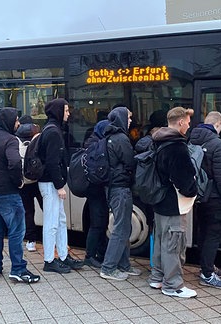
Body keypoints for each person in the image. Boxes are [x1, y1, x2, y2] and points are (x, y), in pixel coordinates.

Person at [0, 107, 40, 283]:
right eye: (16, 120)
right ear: (8, 121)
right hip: (7, 192)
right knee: (16, 231)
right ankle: (18, 269)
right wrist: (18, 182)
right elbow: (15, 163)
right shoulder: (10, 140)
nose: (18, 124)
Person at [149, 107, 198, 298]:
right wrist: (194, 191)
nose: (189, 125)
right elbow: (184, 180)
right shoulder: (176, 146)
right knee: (173, 244)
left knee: (161, 241)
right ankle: (173, 285)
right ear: (180, 122)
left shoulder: (158, 141)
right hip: (174, 203)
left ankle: (157, 277)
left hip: (159, 200)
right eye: (187, 121)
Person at [38, 98, 84, 273]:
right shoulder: (54, 132)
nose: (68, 113)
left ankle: (63, 255)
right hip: (50, 184)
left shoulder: (51, 129)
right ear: (58, 111)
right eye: (65, 110)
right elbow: (52, 162)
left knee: (60, 220)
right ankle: (49, 260)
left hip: (52, 183)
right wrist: (59, 185)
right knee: (52, 222)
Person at [189, 111, 221, 289]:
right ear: (218, 125)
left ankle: (206, 266)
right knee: (213, 235)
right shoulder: (218, 144)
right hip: (214, 196)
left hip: (198, 195)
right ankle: (207, 273)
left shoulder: (191, 140)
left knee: (203, 233)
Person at [99, 106, 140, 280]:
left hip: (112, 186)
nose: (130, 121)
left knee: (124, 227)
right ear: (122, 119)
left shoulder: (108, 135)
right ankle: (108, 268)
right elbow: (130, 162)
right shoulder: (121, 138)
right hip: (121, 187)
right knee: (121, 228)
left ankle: (124, 265)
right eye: (129, 117)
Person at [83, 120, 110, 268]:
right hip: (95, 189)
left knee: (101, 222)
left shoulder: (93, 140)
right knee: (97, 223)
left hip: (96, 189)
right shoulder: (95, 144)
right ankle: (90, 255)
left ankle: (100, 252)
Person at [15, 115, 43, 251]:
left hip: (23, 182)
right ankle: (55, 238)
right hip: (38, 180)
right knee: (48, 209)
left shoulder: (15, 139)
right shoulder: (38, 137)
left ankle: (31, 241)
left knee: (28, 212)